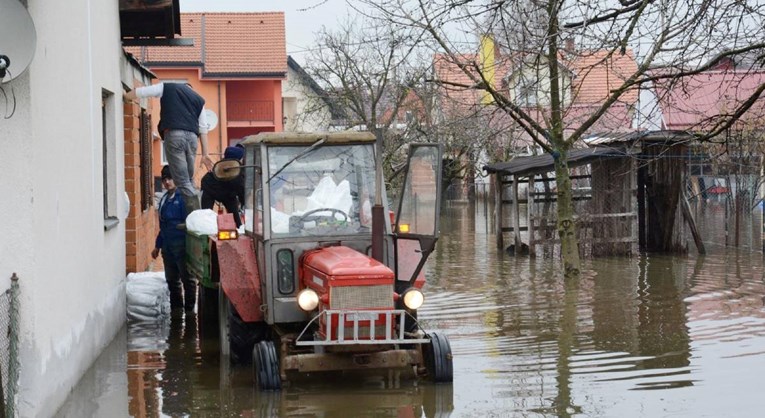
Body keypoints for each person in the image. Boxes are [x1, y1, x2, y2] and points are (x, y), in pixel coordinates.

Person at [126, 82, 213, 215]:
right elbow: (203, 129)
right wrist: (205, 153)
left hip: (175, 135)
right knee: (188, 179)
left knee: (182, 181)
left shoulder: (168, 87)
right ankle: (193, 216)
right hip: (192, 138)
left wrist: (125, 95)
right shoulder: (198, 99)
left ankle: (197, 217)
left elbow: (142, 92)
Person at [152, 166, 196, 311]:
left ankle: (190, 313)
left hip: (182, 247)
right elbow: (162, 226)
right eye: (164, 179)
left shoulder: (183, 198)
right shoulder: (164, 200)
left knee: (188, 281)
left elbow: (190, 224)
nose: (167, 182)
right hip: (167, 248)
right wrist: (157, 246)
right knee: (172, 281)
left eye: (170, 179)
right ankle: (176, 312)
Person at [201, 145, 246, 227]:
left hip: (220, 192)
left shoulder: (217, 170)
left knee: (206, 215)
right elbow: (242, 191)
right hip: (225, 194)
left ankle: (206, 229)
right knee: (207, 215)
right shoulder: (237, 173)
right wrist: (246, 204)